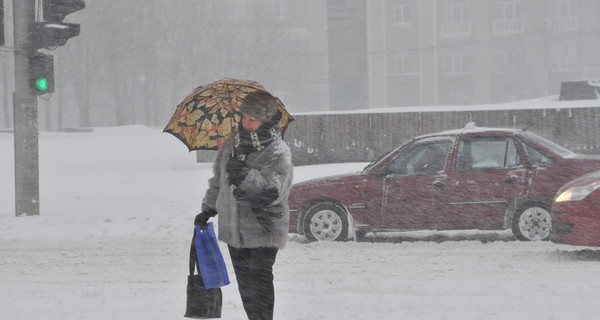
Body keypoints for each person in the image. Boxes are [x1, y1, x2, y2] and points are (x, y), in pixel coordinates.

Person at [195, 90, 293, 320]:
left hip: (263, 228)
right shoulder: (231, 144)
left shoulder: (278, 151)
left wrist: (246, 175)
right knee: (246, 285)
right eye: (245, 117)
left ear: (265, 120)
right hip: (234, 229)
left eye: (253, 119)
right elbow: (218, 181)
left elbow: (275, 190)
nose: (247, 123)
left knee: (259, 281)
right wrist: (208, 208)